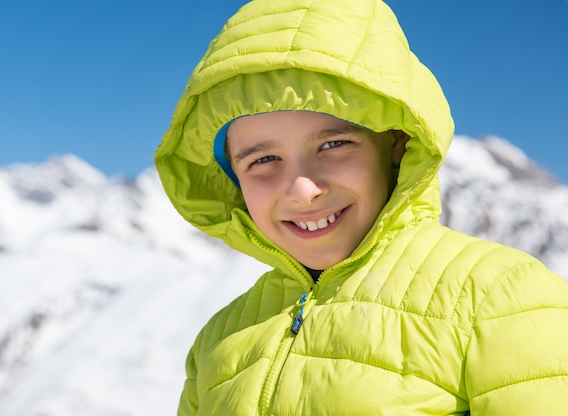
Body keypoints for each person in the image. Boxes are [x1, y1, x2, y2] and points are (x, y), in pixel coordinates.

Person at [154, 0, 568, 414]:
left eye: (334, 144)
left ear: (396, 143)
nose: (302, 190)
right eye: (262, 160)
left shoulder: (500, 298)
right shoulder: (221, 337)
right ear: (233, 178)